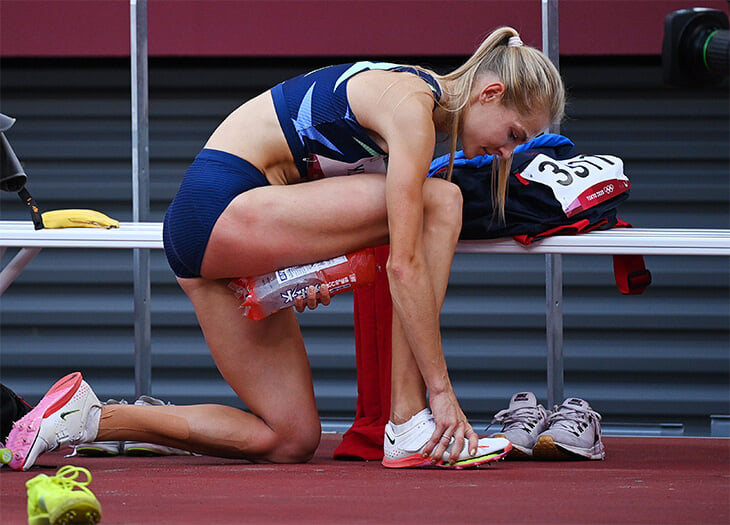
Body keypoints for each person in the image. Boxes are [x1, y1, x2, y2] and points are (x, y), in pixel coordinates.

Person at [6, 26, 564, 471]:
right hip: (218, 207)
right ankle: (408, 419)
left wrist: (314, 269)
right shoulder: (411, 105)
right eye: (514, 135)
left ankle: (84, 418)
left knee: (289, 437)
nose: (503, 154)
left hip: (221, 236)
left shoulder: (418, 120)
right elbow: (405, 262)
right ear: (490, 93)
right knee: (441, 203)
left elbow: (335, 214)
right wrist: (442, 393)